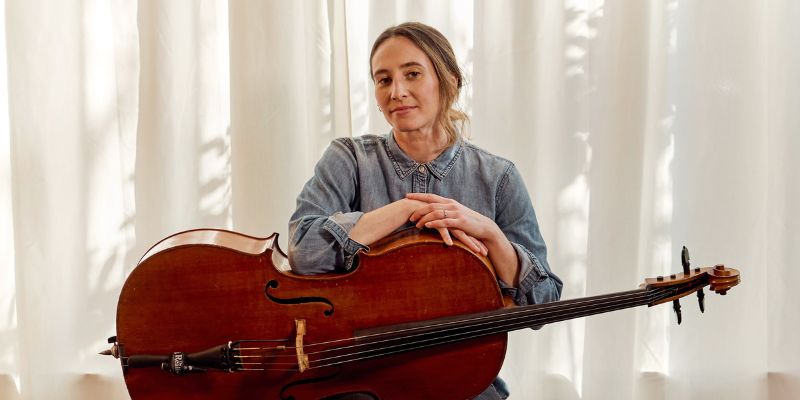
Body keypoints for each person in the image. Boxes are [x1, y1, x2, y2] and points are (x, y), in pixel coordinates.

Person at [288, 22, 562, 400]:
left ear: (448, 79)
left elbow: (544, 305)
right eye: (383, 80)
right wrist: (402, 210)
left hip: (463, 382)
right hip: (360, 380)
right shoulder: (348, 158)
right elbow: (303, 252)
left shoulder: (498, 177)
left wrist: (491, 235)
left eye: (412, 74)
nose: (396, 92)